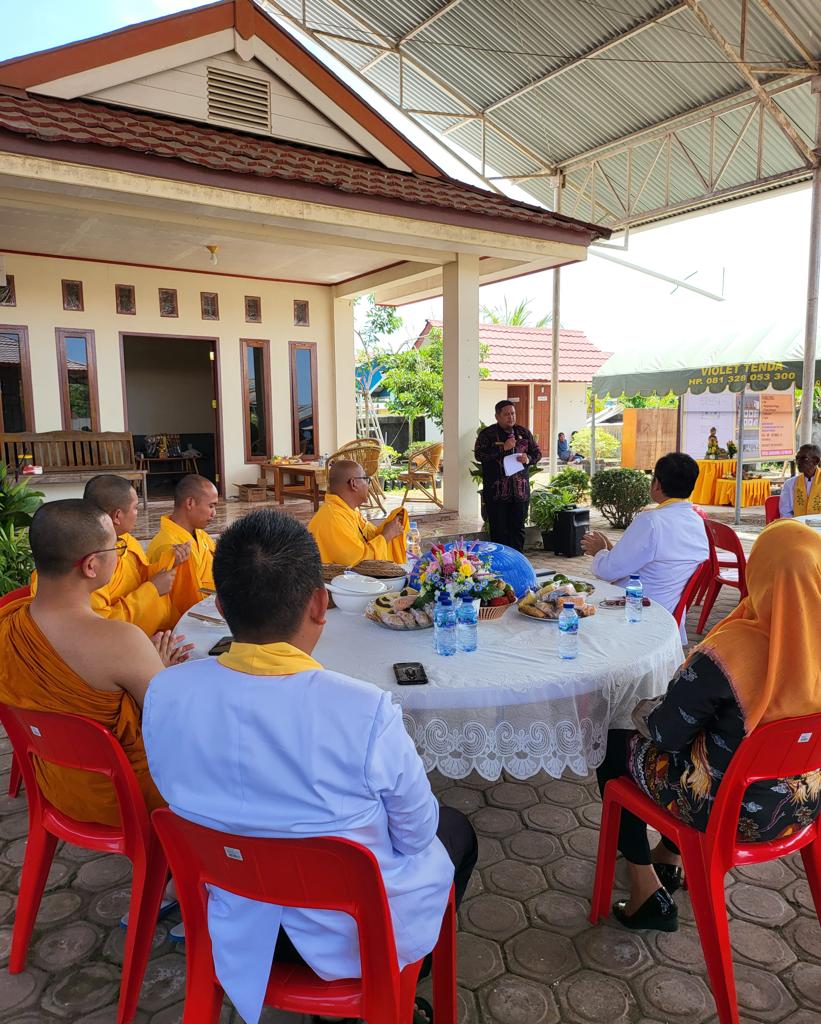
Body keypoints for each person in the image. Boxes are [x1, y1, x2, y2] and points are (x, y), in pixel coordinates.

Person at [143, 510, 477, 1024]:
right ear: (321, 604)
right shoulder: (364, 710)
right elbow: (415, 835)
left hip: (231, 921)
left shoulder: (165, 691)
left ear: (221, 606)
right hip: (352, 936)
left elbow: (174, 795)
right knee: (455, 830)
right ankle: (402, 986)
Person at [594, 519, 821, 933]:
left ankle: (645, 890)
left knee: (610, 747)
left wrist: (642, 711)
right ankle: (670, 856)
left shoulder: (732, 650)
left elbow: (666, 733)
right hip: (799, 805)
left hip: (726, 810)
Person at [0, 499, 190, 827]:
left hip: (56, 784)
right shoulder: (122, 641)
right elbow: (174, 723)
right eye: (116, 547)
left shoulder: (8, 625)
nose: (119, 554)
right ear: (90, 566)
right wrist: (161, 673)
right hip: (123, 796)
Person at [30, 475, 186, 635]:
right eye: (135, 508)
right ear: (117, 516)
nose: (137, 513)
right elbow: (100, 627)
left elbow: (139, 575)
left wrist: (168, 561)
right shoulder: (88, 565)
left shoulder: (127, 540)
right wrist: (152, 590)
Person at [581, 452, 709, 636]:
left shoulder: (652, 521)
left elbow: (607, 571)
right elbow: (653, 562)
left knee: (570, 608)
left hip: (634, 610)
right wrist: (611, 550)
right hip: (666, 610)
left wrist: (599, 551)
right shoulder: (696, 521)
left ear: (656, 484)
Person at [307, 458, 408, 564]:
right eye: (366, 479)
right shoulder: (334, 518)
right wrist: (386, 536)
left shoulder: (349, 510)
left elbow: (370, 535)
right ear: (353, 484)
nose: (368, 485)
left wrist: (392, 525)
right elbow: (360, 563)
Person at [147, 474, 218, 623]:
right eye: (211, 506)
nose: (214, 513)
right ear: (190, 503)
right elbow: (166, 599)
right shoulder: (167, 546)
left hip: (210, 612)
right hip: (184, 622)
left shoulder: (201, 535)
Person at [474, 400, 541, 551]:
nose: (511, 417)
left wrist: (528, 459)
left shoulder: (523, 433)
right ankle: (501, 562)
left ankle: (517, 561)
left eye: (513, 413)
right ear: (497, 416)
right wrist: (502, 448)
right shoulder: (487, 434)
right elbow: (479, 455)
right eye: (506, 414)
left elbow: (537, 453)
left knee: (518, 530)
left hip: (520, 492)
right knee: (499, 531)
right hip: (497, 493)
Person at [779, 443, 821, 517]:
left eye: (804, 458)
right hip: (796, 523)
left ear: (816, 461)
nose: (798, 462)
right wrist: (797, 523)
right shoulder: (790, 484)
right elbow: (785, 513)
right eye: (797, 458)